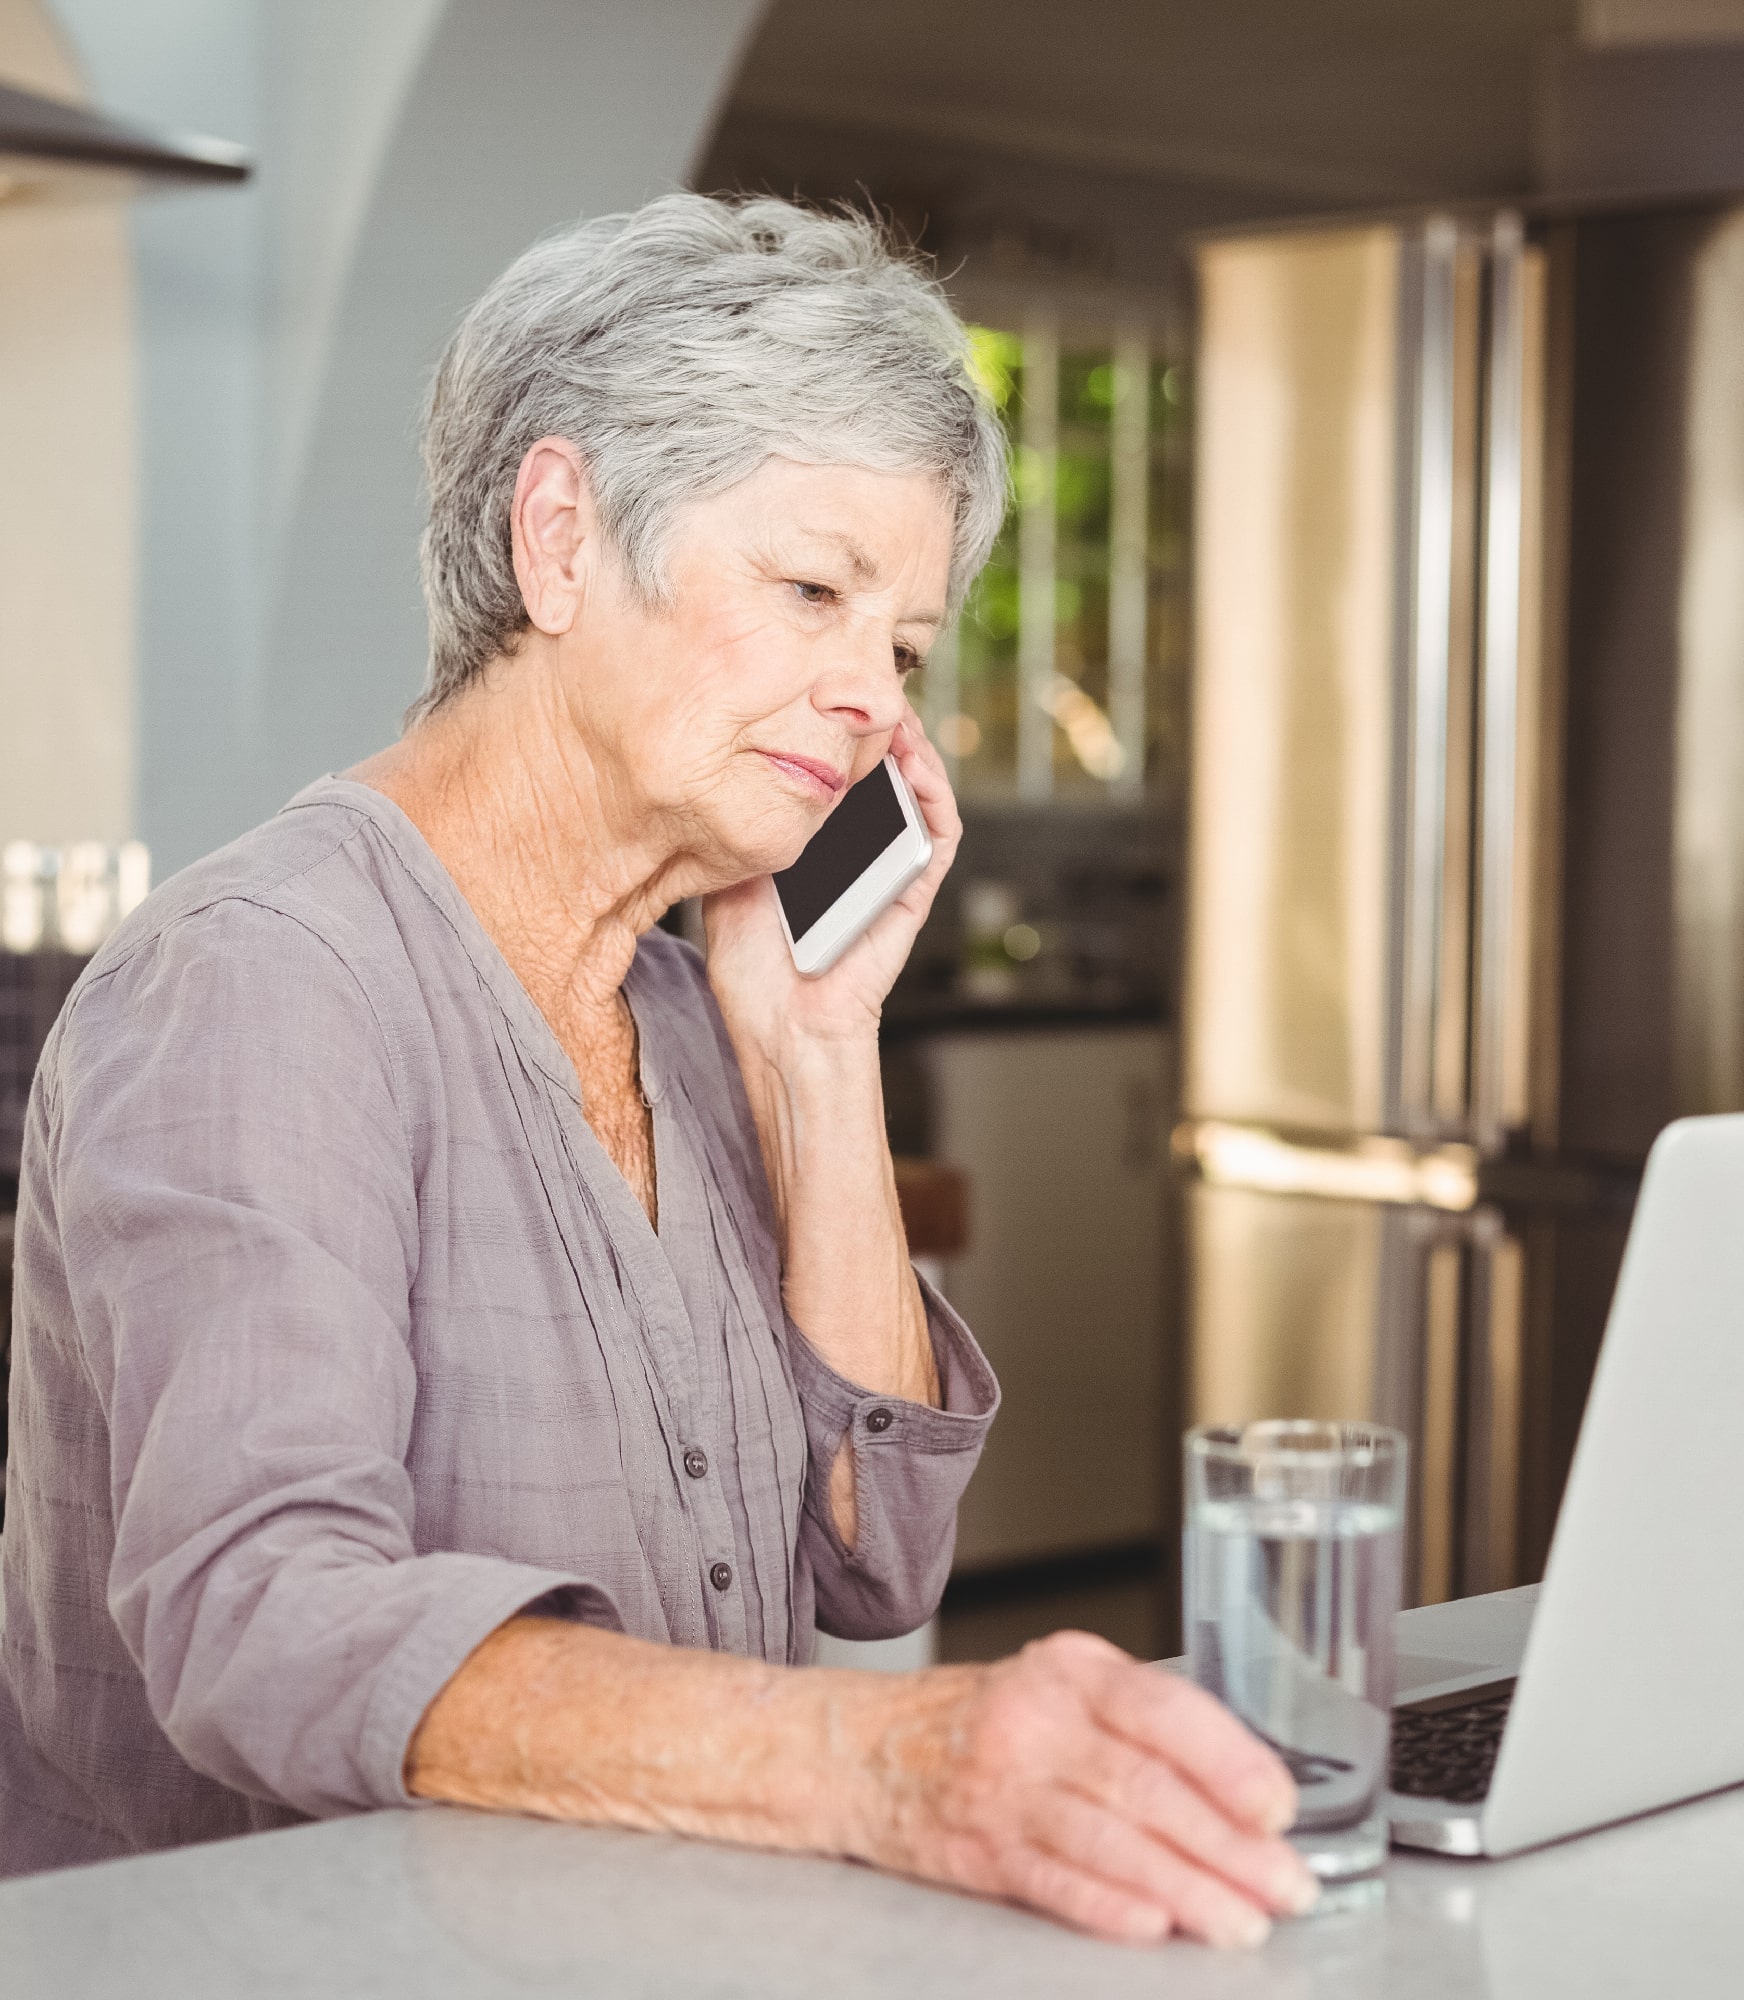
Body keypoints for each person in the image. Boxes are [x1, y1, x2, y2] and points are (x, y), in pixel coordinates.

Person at [0, 193, 1317, 1945]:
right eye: (810, 592)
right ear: (560, 538)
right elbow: (264, 1622)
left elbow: (875, 1557)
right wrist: (881, 1769)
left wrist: (819, 1050)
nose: (872, 699)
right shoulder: (264, 979)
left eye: (903, 648)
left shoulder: (696, 1011)